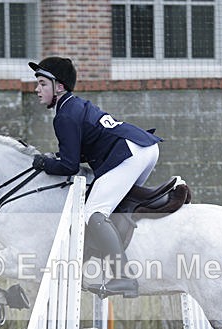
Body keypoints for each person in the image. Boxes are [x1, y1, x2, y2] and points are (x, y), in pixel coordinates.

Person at [28, 56, 161, 297]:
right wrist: (55, 158)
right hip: (144, 148)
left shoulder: (65, 115)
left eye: (42, 84)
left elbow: (69, 166)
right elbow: (76, 154)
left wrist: (44, 163)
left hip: (130, 153)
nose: (37, 89)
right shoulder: (73, 106)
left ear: (59, 86)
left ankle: (123, 277)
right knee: (112, 207)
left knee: (94, 213)